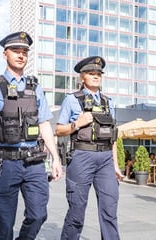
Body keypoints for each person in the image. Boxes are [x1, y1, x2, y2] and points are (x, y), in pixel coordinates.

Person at [0, 31, 63, 240]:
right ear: (5, 54)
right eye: (16, 51)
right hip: (6, 164)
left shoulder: (35, 88)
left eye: (24, 52)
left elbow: (44, 124)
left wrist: (56, 159)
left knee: (38, 215)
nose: (21, 55)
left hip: (34, 164)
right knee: (4, 224)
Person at [56, 56, 123, 239]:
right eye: (91, 73)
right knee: (77, 212)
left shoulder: (109, 102)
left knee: (110, 211)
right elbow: (59, 130)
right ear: (82, 77)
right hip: (82, 157)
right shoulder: (72, 99)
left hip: (106, 160)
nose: (96, 76)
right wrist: (76, 124)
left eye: (99, 74)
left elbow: (113, 137)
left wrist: (115, 164)